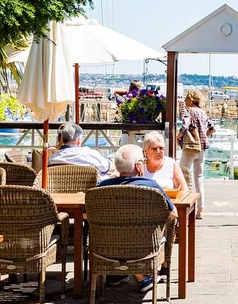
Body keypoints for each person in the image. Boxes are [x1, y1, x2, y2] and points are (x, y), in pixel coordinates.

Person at [97, 145, 178, 292]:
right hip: (145, 244)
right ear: (138, 166)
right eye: (142, 160)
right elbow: (173, 214)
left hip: (108, 245)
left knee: (119, 235)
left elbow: (85, 214)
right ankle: (140, 275)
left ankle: (116, 273)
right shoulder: (151, 187)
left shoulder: (101, 187)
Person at [179, 91, 213, 219]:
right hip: (201, 149)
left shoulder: (189, 111)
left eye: (186, 98)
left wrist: (178, 136)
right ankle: (200, 211)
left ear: (191, 100)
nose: (184, 100)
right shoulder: (203, 112)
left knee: (182, 176)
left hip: (190, 148)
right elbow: (212, 128)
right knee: (199, 179)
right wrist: (202, 137)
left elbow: (185, 126)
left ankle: (184, 208)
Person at [49, 123, 113, 180]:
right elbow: (108, 167)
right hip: (90, 191)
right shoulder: (87, 153)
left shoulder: (54, 158)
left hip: (61, 191)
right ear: (79, 140)